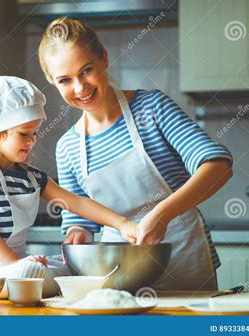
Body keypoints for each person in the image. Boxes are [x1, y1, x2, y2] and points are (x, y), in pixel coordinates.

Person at [38, 18, 233, 291]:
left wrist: (163, 214)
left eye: (86, 70)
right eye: (65, 80)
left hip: (185, 263)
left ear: (104, 59)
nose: (80, 87)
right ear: (53, 82)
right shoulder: (68, 146)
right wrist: (77, 235)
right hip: (118, 276)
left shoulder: (152, 109)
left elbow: (218, 166)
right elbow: (79, 219)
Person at [0, 76, 137, 296]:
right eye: (24, 134)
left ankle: (31, 280)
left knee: (69, 268)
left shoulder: (30, 177)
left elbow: (77, 202)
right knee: (30, 272)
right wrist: (15, 264)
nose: (32, 141)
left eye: (34, 133)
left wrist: (122, 223)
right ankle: (29, 280)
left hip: (18, 269)